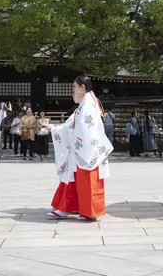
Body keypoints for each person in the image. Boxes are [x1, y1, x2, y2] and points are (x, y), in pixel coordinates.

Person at [47, 75, 114, 221]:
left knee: (85, 180)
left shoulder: (88, 104)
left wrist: (60, 132)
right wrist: (55, 129)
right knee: (74, 178)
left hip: (86, 148)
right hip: (82, 146)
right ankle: (69, 208)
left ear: (82, 87)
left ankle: (88, 211)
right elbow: (75, 125)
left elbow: (85, 128)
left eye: (74, 87)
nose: (73, 90)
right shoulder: (88, 102)